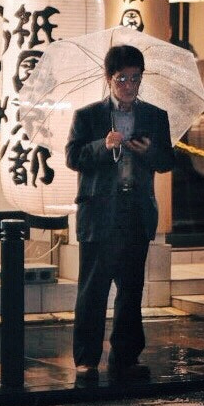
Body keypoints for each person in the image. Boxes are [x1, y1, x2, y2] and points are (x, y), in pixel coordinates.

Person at [65, 44, 174, 382]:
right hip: (99, 213)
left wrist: (150, 152)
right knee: (93, 288)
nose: (129, 86)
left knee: (131, 288)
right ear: (108, 79)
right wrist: (103, 145)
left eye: (135, 79)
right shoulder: (89, 115)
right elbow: (72, 157)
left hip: (136, 210)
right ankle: (86, 357)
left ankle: (126, 354)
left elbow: (167, 161)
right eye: (122, 79)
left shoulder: (155, 116)